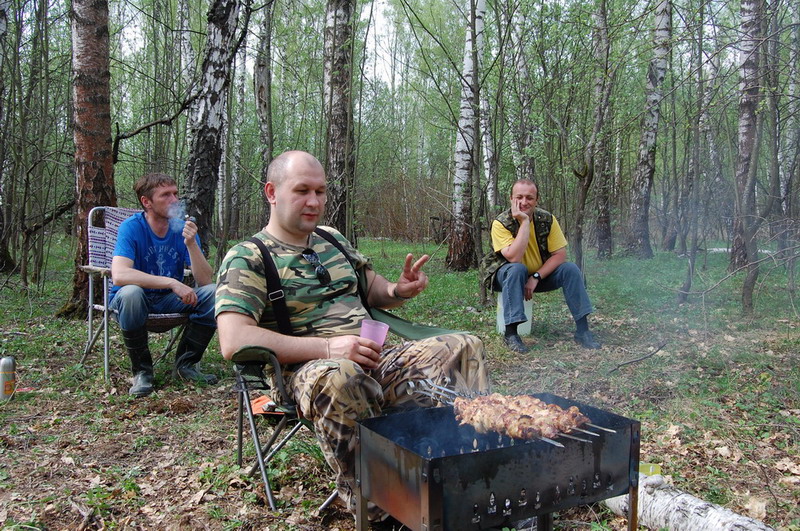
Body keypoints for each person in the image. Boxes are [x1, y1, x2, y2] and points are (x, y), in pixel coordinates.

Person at [215, 151, 490, 521]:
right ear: (272, 192)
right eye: (302, 191)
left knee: (463, 346)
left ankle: (468, 469)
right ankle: (384, 508)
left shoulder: (331, 239)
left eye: (320, 191)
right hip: (308, 372)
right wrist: (328, 347)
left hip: (375, 358)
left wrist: (398, 290)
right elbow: (233, 340)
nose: (314, 201)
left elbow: (370, 289)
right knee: (341, 377)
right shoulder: (249, 257)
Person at [110, 173, 219, 398]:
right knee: (131, 293)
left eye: (175, 194)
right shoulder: (131, 228)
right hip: (134, 302)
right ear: (146, 202)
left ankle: (185, 366)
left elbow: (205, 281)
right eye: (166, 195)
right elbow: (120, 275)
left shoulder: (181, 229)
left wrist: (191, 244)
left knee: (215, 293)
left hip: (167, 300)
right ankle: (142, 372)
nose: (174, 200)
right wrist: (171, 282)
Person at [483, 178, 601, 353]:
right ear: (511, 199)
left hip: (538, 276)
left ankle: (583, 331)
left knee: (570, 269)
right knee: (517, 269)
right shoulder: (501, 223)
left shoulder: (547, 219)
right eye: (519, 197)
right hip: (507, 276)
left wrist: (536, 277)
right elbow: (514, 257)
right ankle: (511, 333)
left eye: (530, 198)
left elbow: (560, 255)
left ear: (537, 200)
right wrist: (524, 222)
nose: (524, 202)